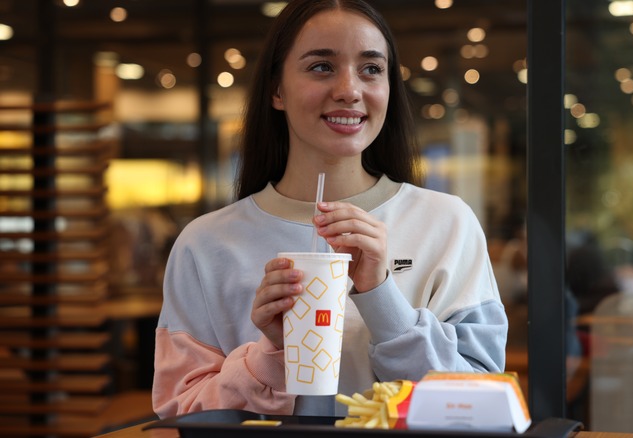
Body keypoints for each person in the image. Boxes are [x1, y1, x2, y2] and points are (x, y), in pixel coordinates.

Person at [152, 0, 508, 419]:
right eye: (322, 66)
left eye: (371, 69)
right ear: (276, 90)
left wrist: (382, 299)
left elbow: (478, 398)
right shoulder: (205, 244)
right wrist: (272, 356)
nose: (350, 90)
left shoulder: (447, 223)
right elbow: (179, 411)